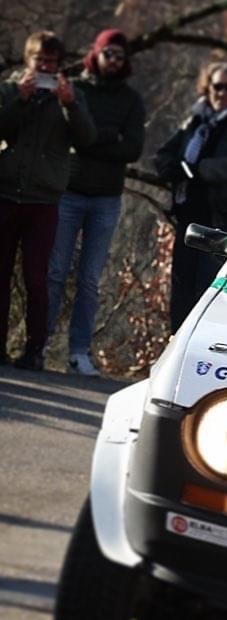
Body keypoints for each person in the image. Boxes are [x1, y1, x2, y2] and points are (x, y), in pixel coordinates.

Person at [45, 29, 145, 376]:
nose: (114, 61)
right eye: (108, 54)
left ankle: (79, 352)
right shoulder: (75, 89)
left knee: (89, 279)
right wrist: (105, 137)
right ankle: (40, 342)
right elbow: (70, 137)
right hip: (68, 192)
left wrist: (90, 138)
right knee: (55, 272)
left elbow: (132, 148)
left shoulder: (131, 100)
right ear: (96, 54)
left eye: (120, 56)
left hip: (106, 198)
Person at [0, 31, 96, 369]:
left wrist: (69, 104)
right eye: (39, 60)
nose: (44, 67)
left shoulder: (71, 95)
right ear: (28, 59)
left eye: (51, 62)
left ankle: (34, 350)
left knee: (37, 278)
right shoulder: (9, 89)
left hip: (44, 200)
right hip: (6, 193)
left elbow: (87, 138)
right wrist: (20, 99)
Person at [154, 62, 227, 333]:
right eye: (217, 86)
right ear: (208, 87)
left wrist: (200, 169)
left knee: (206, 290)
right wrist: (175, 169)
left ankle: (200, 344)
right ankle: (175, 342)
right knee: (181, 289)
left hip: (219, 220)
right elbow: (165, 154)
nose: (222, 93)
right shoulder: (196, 122)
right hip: (188, 217)